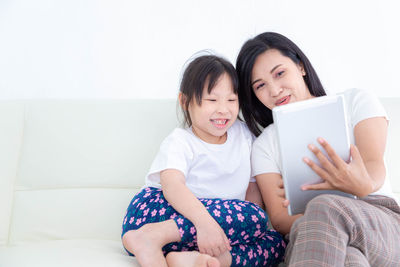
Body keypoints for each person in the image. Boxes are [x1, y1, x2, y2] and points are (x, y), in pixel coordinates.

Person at [236, 32, 400, 266]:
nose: (274, 90)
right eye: (260, 86)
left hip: (381, 224)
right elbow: (281, 220)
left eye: (280, 73)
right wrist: (322, 217)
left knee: (323, 205)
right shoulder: (264, 145)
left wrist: (357, 185)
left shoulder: (356, 101)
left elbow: (374, 166)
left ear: (301, 66)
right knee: (350, 259)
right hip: (309, 233)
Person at [121, 54, 285, 267]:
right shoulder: (180, 141)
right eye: (212, 100)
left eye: (231, 100)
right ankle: (150, 237)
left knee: (274, 240)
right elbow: (173, 186)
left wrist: (247, 230)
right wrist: (205, 223)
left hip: (198, 237)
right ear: (185, 101)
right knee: (253, 217)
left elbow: (251, 192)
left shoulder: (244, 137)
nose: (223, 109)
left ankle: (202, 260)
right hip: (152, 215)